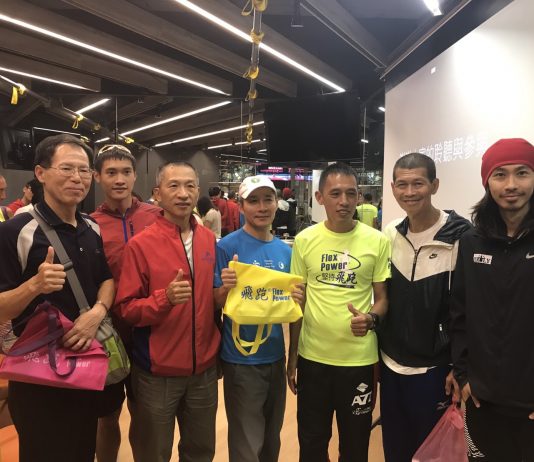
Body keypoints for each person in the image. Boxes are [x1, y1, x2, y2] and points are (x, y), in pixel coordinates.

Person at [0, 134, 114, 462]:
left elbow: (106, 279)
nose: (77, 178)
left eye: (84, 170)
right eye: (66, 168)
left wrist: (98, 312)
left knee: (82, 450)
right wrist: (34, 285)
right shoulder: (15, 231)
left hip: (84, 367)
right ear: (40, 173)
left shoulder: (92, 227)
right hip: (38, 375)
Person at [115, 161, 220, 462]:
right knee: (153, 453)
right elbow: (126, 309)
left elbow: (210, 300)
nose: (183, 194)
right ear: (158, 194)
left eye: (190, 186)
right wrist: (165, 299)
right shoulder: (141, 245)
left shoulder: (208, 239)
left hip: (203, 372)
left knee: (200, 452)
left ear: (198, 192)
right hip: (157, 374)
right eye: (174, 186)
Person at [288, 162, 391, 462]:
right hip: (313, 360)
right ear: (320, 198)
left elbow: (383, 298)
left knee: (355, 446)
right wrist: (292, 357)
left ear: (359, 196)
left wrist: (370, 319)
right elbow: (297, 303)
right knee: (312, 444)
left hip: (358, 361)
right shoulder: (305, 240)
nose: (344, 201)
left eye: (351, 193)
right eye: (335, 194)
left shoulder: (377, 241)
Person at [378, 152, 471, 462]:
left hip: (435, 370)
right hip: (391, 365)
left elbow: (469, 309)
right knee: (395, 450)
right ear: (392, 187)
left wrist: (459, 365)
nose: (409, 192)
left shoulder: (461, 236)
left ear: (434, 185)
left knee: (431, 455)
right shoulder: (391, 232)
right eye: (402, 185)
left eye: (418, 183)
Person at [450, 138, 534, 462]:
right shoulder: (472, 241)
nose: (511, 184)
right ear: (487, 182)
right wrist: (463, 375)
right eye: (500, 174)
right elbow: (459, 312)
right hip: (483, 398)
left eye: (522, 173)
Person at [214, 175, 305, 462]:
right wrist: (225, 288)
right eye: (253, 201)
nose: (262, 207)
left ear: (278, 203)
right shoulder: (227, 247)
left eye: (268, 199)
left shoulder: (285, 252)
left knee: (271, 441)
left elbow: (294, 310)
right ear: (241, 206)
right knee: (246, 443)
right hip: (240, 360)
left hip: (275, 356)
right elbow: (214, 302)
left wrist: (292, 358)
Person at [91, 144, 160, 462]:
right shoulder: (89, 225)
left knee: (143, 414)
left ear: (135, 176)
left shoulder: (157, 217)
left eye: (126, 172)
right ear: (97, 177)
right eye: (111, 172)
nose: (119, 179)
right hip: (107, 336)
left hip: (150, 332)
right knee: (106, 417)